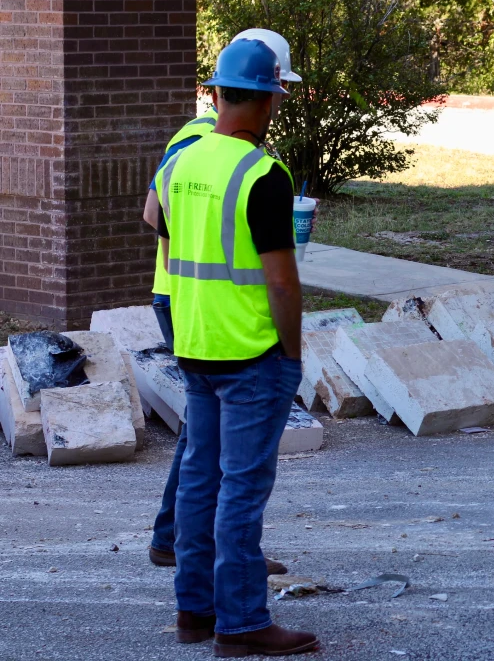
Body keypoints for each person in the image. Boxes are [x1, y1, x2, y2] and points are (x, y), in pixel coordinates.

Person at [155, 37, 317, 655]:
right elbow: (281, 278)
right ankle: (244, 623)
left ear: (218, 94)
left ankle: (193, 613)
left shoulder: (179, 163)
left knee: (200, 481)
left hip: (195, 345)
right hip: (252, 352)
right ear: (271, 100)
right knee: (241, 491)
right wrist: (293, 354)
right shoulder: (262, 175)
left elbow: (159, 228)